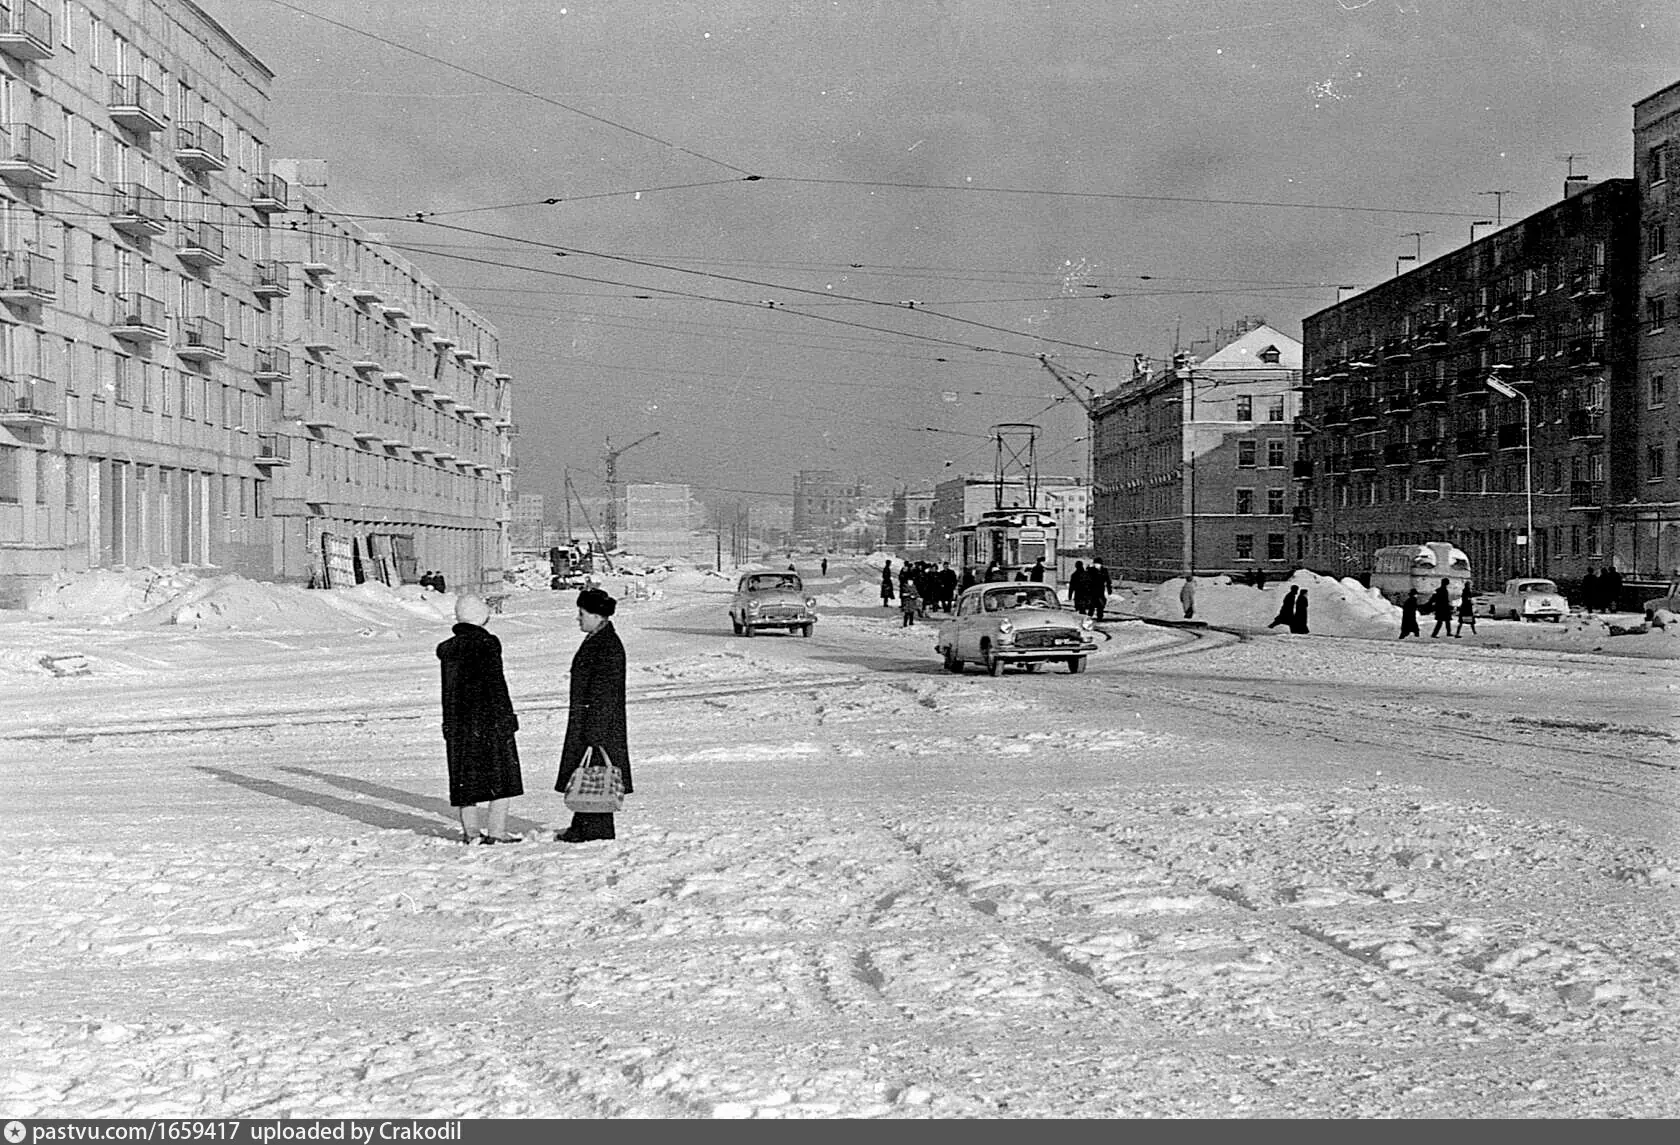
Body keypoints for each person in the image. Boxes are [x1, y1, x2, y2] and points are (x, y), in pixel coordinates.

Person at [437, 593, 523, 844]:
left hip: (459, 723)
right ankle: (497, 831)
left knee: (465, 778)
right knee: (502, 777)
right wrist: (506, 718)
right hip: (490, 720)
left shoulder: (449, 650)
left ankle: (471, 831)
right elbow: (497, 686)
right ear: (482, 617)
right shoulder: (488, 644)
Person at [554, 588, 632, 843]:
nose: (578, 618)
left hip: (599, 724)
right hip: (593, 721)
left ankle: (594, 830)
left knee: (596, 776)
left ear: (597, 616)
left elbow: (604, 692)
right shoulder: (599, 639)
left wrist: (595, 730)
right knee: (588, 774)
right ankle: (582, 825)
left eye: (582, 613)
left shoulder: (606, 645)